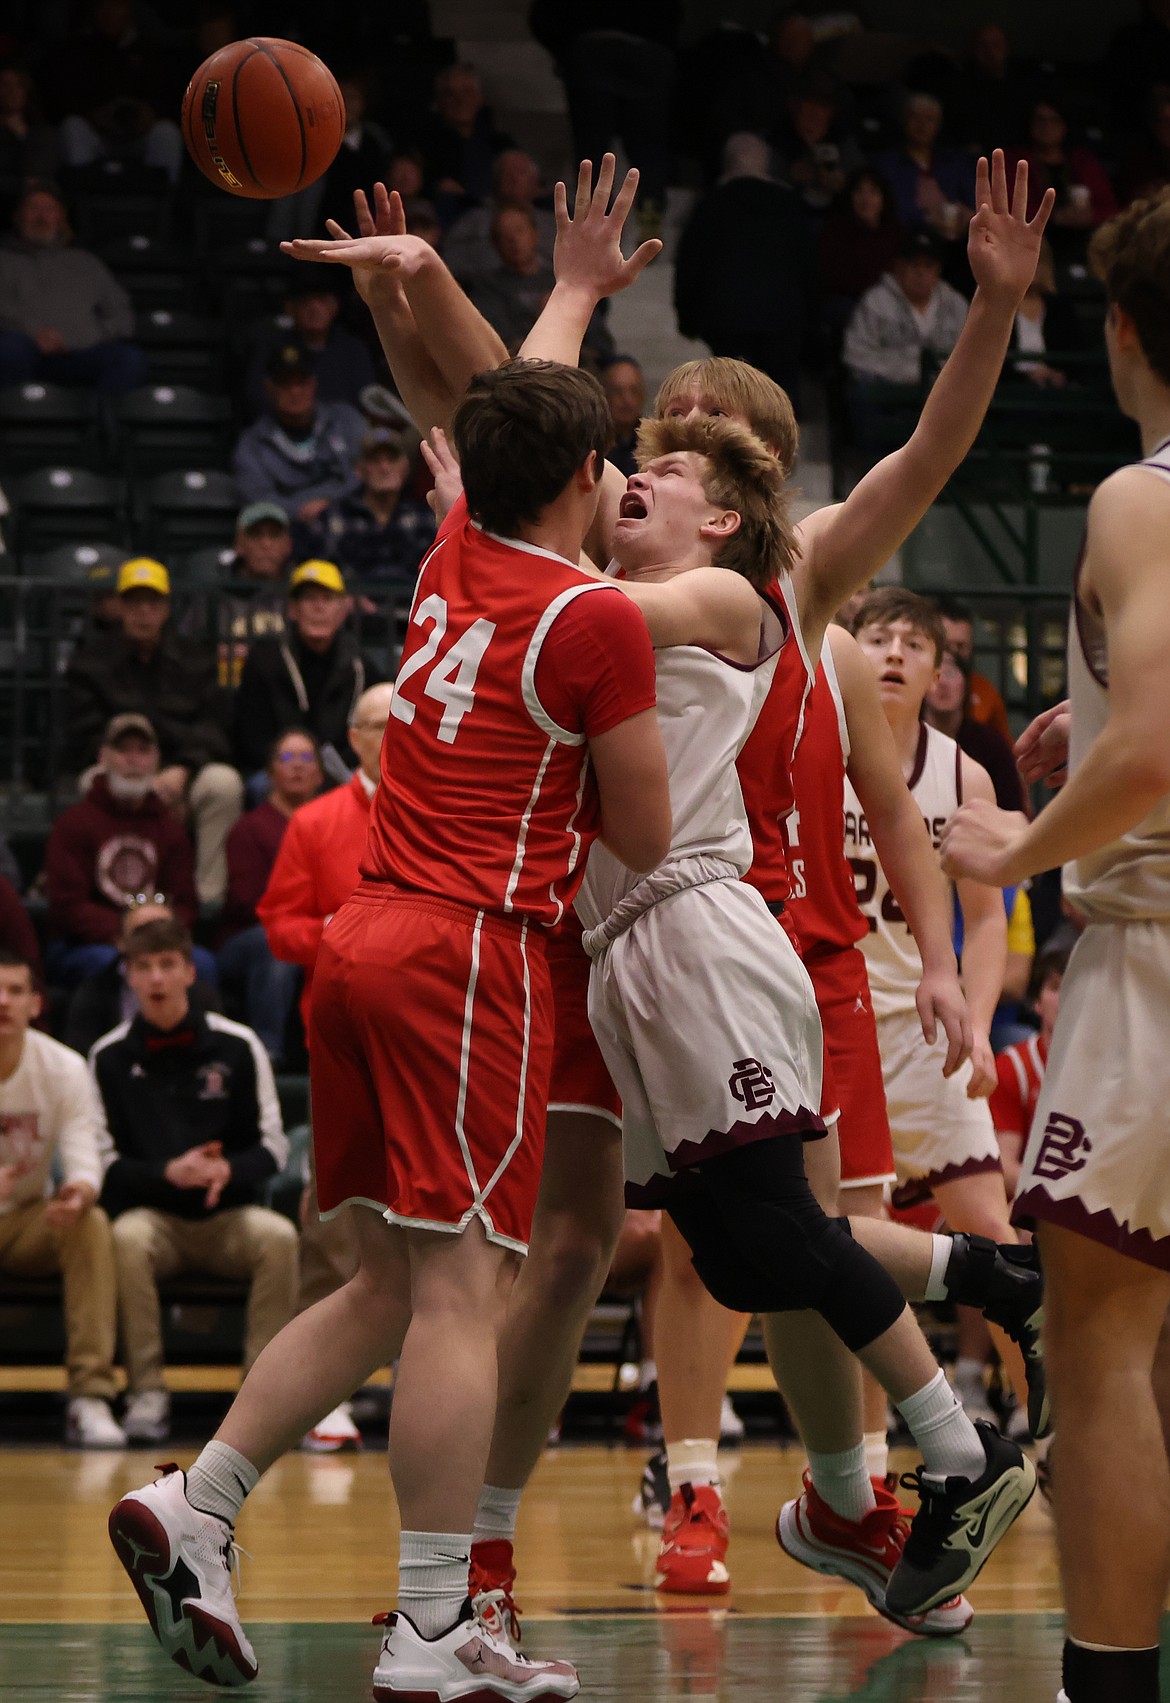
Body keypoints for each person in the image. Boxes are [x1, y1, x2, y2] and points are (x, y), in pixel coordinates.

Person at [276, 144, 1053, 1641]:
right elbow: (505, 425)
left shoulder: (773, 575)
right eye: (649, 429)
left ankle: (879, 1469)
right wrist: (416, 296)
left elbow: (921, 461)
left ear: (742, 484)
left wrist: (992, 308)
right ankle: (503, 1552)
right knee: (588, 1242)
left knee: (769, 1228)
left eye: (694, 436)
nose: (651, 447)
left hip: (710, 919)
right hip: (577, 932)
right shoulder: (594, 536)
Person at [108, 357, 673, 1701]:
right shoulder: (595, 615)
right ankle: (431, 1628)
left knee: (378, 1282)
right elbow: (645, 835)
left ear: (471, 479)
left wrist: (576, 297)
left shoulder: (443, 558)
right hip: (470, 952)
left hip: (362, 939)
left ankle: (201, 1497)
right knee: (467, 1292)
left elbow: (514, 422)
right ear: (588, 477)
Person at [940, 187, 1170, 1703]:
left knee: (1098, 1351)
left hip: (1155, 951)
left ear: (1122, 331)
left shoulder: (1139, 496)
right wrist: (1086, 724)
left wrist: (1018, 846)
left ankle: (1107, 1683)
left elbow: (1156, 741)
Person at [846, 588, 1032, 1417]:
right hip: (833, 1029)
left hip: (928, 1032)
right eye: (876, 637)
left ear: (939, 671)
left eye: (912, 644)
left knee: (994, 1235)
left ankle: (1043, 1417)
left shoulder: (965, 772)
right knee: (848, 1249)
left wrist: (982, 1024)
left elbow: (990, 919)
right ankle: (868, 1455)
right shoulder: (814, 748)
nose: (892, 654)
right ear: (847, 652)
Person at [94, 916, 296, 1446]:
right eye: (143, 968)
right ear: (129, 978)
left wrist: (228, 1169)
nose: (156, 978)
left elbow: (273, 1145)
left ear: (189, 973)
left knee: (279, 1238)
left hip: (228, 1215)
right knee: (124, 1236)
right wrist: (168, 1172)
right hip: (155, 1219)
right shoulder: (109, 1057)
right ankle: (147, 1393)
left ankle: (262, 1400)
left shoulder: (239, 1046)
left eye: (167, 965)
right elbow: (105, 1163)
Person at [257, 682, 395, 1452]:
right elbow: (276, 925)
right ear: (354, 735)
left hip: (424, 1033)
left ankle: (427, 1379)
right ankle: (324, 1394)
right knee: (336, 1207)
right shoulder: (314, 822)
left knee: (431, 1208)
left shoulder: (434, 806)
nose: (393, 733)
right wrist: (341, 933)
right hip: (342, 1037)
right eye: (379, 722)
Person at [67, 559, 244, 909]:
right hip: (123, 769)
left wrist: (181, 771)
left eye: (152, 603)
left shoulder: (197, 657)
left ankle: (208, 899)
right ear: (120, 606)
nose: (143, 612)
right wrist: (137, 776)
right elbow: (86, 733)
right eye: (134, 602)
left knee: (223, 783)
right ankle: (111, 898)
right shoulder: (91, 661)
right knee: (92, 782)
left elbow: (213, 725)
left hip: (182, 773)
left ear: (166, 608)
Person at [0, 948, 124, 1447]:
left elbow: (83, 1149)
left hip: (26, 1220)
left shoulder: (64, 1068)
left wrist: (79, 1189)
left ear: (35, 1003)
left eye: (14, 991)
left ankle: (90, 1396)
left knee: (90, 1223)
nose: (2, 1001)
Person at [44, 711, 198, 983]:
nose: (133, 759)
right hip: (86, 944)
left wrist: (155, 934)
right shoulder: (74, 824)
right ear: (103, 757)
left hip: (159, 940)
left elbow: (185, 903)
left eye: (143, 750)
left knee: (203, 966)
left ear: (156, 760)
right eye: (123, 749)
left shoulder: (169, 827)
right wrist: (130, 933)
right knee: (113, 965)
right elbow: (67, 907)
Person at [673, 133, 817, 408]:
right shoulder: (789, 205)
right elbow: (809, 266)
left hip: (725, 319)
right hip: (782, 320)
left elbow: (690, 262)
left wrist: (687, 316)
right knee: (779, 401)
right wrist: (811, 321)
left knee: (729, 399)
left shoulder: (711, 205)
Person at [218, 731, 323, 1064]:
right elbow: (246, 902)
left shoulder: (332, 822)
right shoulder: (250, 828)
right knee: (278, 945)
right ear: (270, 772)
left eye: (306, 758)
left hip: (318, 929)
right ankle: (269, 1053)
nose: (297, 768)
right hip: (250, 937)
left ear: (320, 773)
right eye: (287, 758)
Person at [232, 559, 380, 784]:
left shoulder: (360, 666)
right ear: (293, 609)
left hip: (340, 772)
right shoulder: (264, 660)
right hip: (277, 771)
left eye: (327, 599)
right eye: (309, 598)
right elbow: (252, 736)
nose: (318, 607)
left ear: (342, 610)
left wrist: (325, 772)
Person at [0, 183, 147, 393]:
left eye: (49, 209)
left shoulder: (86, 263)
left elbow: (122, 315)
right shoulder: (4, 260)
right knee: (11, 348)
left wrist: (82, 338)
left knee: (130, 359)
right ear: (18, 217)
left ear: (61, 219)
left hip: (79, 353)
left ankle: (98, 422)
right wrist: (34, 335)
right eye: (33, 208)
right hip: (22, 351)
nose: (41, 217)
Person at [843, 226, 970, 452]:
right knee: (862, 396)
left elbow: (970, 356)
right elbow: (856, 355)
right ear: (899, 267)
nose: (920, 272)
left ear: (938, 270)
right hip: (890, 394)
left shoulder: (955, 304)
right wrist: (903, 375)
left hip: (940, 394)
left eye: (928, 265)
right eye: (914, 264)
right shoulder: (876, 302)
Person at [64, 893, 220, 1059]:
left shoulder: (205, 998)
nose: (156, 978)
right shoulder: (93, 996)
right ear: (121, 943)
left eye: (163, 932)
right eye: (141, 934)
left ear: (190, 972)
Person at [44, 0, 183, 183]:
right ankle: (79, 202)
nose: (109, 13)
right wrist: (94, 114)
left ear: (128, 9)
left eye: (116, 5)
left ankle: (163, 204)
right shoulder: (75, 51)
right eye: (104, 6)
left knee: (167, 132)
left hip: (139, 136)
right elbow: (58, 101)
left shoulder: (149, 50)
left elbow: (168, 97)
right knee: (72, 126)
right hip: (97, 136)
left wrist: (150, 113)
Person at [233, 346, 367, 526]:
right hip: (291, 529)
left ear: (313, 384)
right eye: (285, 383)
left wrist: (329, 503)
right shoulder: (252, 443)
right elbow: (256, 498)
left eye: (301, 382)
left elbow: (370, 470)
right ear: (270, 388)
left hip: (353, 519)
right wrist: (298, 510)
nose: (295, 391)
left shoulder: (346, 420)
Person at [180, 502, 293, 688]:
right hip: (224, 695)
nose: (266, 544)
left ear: (288, 545)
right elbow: (184, 651)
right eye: (255, 535)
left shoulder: (300, 592)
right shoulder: (213, 596)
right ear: (239, 545)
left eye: (274, 535)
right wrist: (213, 656)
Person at [311, 427, 436, 588]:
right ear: (359, 469)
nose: (384, 468)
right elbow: (316, 578)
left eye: (392, 459)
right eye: (375, 460)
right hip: (351, 611)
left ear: (405, 467)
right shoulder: (333, 520)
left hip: (414, 610)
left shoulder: (426, 520)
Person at [990, 941, 1067, 1196]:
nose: (1067, 996)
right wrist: (1053, 1201)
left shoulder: (1113, 1070)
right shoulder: (1014, 1067)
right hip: (1036, 1200)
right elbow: (1004, 1164)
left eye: (1076, 986)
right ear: (1037, 1002)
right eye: (1056, 987)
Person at [244, 272, 376, 417]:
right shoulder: (273, 346)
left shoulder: (352, 349)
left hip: (344, 431)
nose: (314, 308)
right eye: (305, 301)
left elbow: (367, 399)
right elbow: (257, 398)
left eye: (322, 300)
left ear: (334, 306)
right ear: (290, 308)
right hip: (285, 428)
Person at [923, 641, 1026, 812]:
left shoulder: (990, 745)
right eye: (936, 674)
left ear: (966, 685)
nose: (943, 683)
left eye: (951, 673)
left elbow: (1012, 811)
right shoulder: (904, 739)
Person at [443, 149, 556, 287]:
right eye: (506, 173)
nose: (513, 179)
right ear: (496, 180)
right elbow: (448, 262)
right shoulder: (473, 221)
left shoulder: (553, 223)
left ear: (535, 181)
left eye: (520, 172)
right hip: (489, 291)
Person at [875, 93, 975, 240]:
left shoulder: (954, 162)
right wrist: (925, 217)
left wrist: (970, 215)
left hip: (957, 240)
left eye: (929, 119)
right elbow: (888, 211)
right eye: (915, 117)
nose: (922, 125)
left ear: (938, 125)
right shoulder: (887, 164)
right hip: (908, 239)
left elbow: (974, 200)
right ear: (904, 120)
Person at [415, 62, 515, 202]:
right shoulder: (424, 146)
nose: (460, 101)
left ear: (480, 98)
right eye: (450, 94)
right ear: (438, 102)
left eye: (467, 92)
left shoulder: (501, 144)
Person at [818, 168, 903, 325]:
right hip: (849, 301)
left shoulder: (894, 230)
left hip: (889, 300)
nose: (866, 199)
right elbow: (832, 276)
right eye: (859, 192)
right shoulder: (836, 229)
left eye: (873, 192)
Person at [932, 593, 1011, 739]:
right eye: (946, 646)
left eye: (961, 646)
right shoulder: (913, 687)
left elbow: (1005, 752)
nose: (953, 653)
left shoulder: (986, 692)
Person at [600, 354, 645, 479]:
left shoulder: (655, 444)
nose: (627, 400)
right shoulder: (592, 444)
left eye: (634, 391)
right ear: (604, 395)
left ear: (643, 395)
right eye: (617, 391)